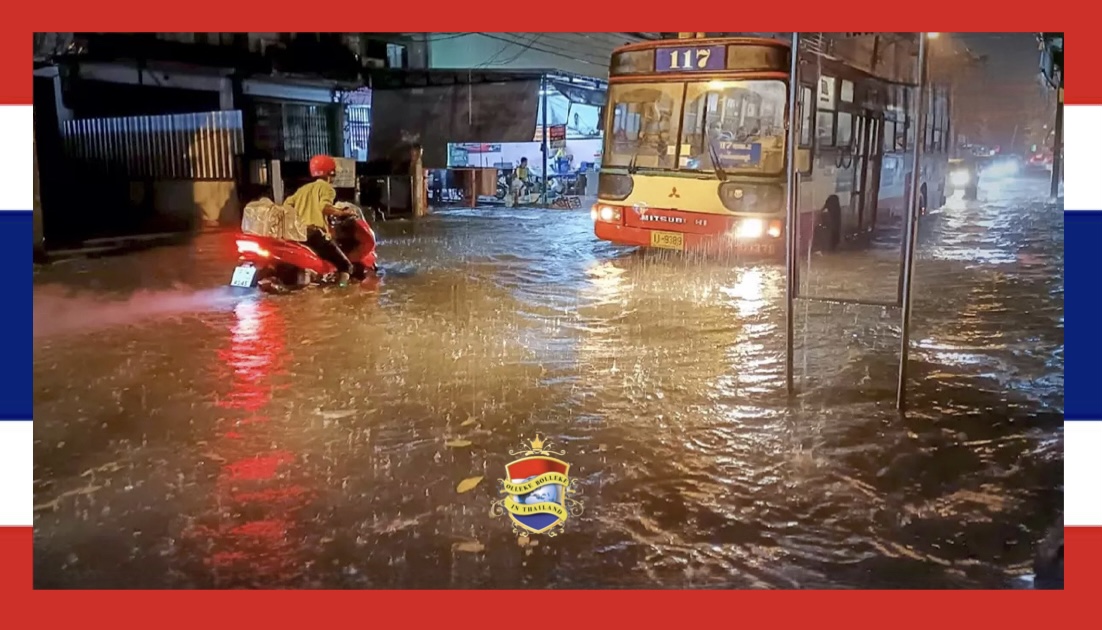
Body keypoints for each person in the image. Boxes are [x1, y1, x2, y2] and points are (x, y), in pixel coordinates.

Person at [284, 154, 355, 287]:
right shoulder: (327, 188)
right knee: (346, 266)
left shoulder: (302, 190)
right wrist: (342, 212)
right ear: (331, 172)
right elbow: (325, 207)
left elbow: (287, 206)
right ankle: (341, 292)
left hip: (298, 235)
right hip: (315, 235)